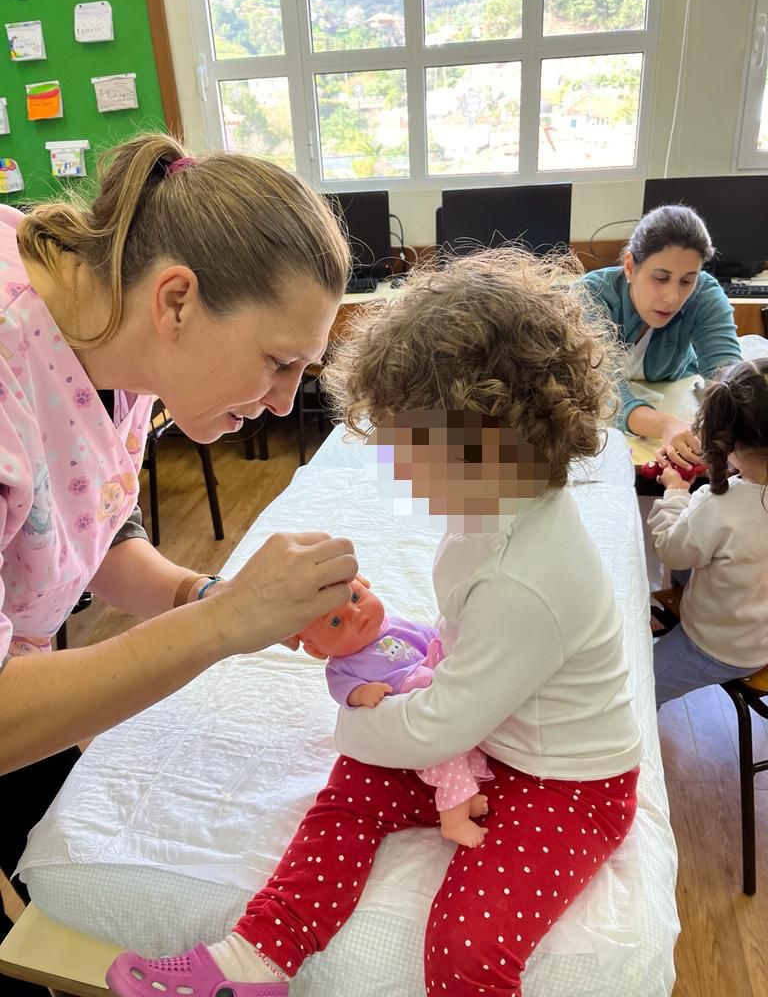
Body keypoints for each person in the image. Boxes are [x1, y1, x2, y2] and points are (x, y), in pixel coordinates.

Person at [107, 248, 642, 997]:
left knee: (466, 947)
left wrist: (356, 725)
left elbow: (439, 729)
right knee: (351, 798)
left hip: (567, 786)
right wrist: (398, 659)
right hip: (494, 734)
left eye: (405, 447)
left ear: (478, 444)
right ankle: (259, 959)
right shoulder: (495, 515)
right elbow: (463, 647)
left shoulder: (526, 575)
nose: (397, 469)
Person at [0, 133, 359, 986]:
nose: (284, 404)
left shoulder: (108, 327)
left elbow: (82, 520)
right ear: (178, 300)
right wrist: (222, 624)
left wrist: (205, 592)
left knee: (59, 881)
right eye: (278, 363)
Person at [298, 575, 493, 847]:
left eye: (355, 597)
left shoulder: (398, 626)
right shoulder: (342, 667)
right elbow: (343, 692)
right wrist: (362, 692)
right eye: (335, 622)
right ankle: (454, 822)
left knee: (470, 744)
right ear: (316, 650)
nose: (355, 614)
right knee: (449, 758)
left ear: (365, 584)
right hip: (414, 712)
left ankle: (465, 799)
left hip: (438, 687)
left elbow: (437, 640)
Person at [581, 204, 741, 470]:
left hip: (675, 397)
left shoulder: (705, 293)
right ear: (630, 267)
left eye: (687, 281)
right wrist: (666, 425)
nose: (672, 298)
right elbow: (603, 390)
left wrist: (723, 417)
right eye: (660, 278)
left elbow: (727, 375)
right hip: (614, 421)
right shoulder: (590, 295)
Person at [649, 358, 768, 706]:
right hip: (756, 625)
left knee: (635, 691)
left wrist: (675, 493)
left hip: (720, 648)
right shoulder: (727, 504)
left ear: (726, 439)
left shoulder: (719, 505)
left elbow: (671, 551)